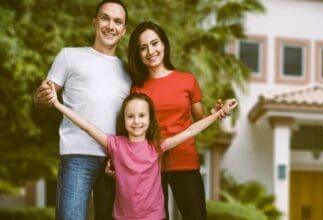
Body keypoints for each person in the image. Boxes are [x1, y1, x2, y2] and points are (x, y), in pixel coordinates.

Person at [48, 81, 238, 220]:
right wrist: (57, 104)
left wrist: (220, 114)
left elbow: (192, 130)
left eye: (141, 116)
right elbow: (87, 126)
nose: (136, 121)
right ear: (124, 120)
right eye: (130, 116)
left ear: (149, 119)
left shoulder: (156, 146)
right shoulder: (115, 144)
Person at [33, 1, 130, 219]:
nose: (110, 26)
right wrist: (41, 96)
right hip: (77, 156)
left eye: (117, 21)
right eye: (105, 18)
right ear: (94, 22)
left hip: (113, 161)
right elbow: (44, 96)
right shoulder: (69, 56)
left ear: (123, 31)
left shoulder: (128, 71)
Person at [126, 21, 229, 220]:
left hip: (186, 162)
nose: (151, 51)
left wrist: (216, 113)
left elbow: (200, 121)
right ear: (138, 54)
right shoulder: (137, 88)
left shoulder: (187, 80)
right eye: (143, 47)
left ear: (164, 44)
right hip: (150, 167)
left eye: (155, 43)